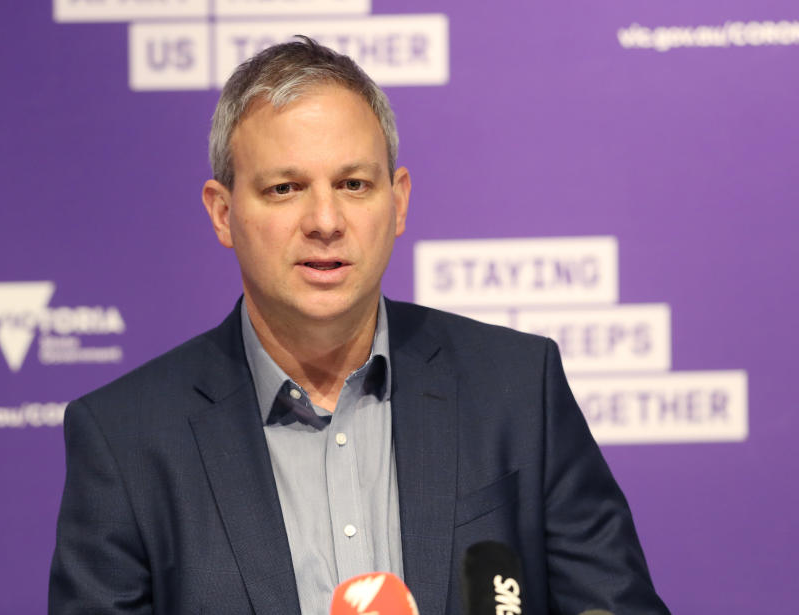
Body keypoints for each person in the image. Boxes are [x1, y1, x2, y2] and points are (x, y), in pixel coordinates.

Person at [49, 37, 670, 615]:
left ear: (397, 202)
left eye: (353, 184)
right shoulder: (127, 440)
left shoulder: (515, 389)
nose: (325, 220)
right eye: (285, 188)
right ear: (223, 211)